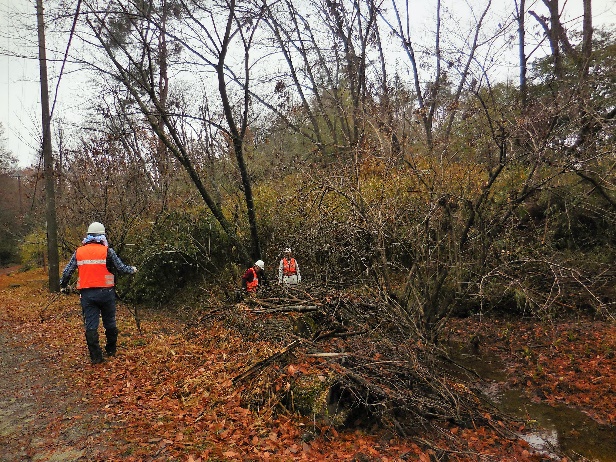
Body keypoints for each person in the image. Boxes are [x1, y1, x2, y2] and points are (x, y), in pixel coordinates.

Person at [59, 222, 137, 364]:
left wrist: (63, 286)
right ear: (102, 235)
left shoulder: (79, 252)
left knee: (91, 325)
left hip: (87, 295)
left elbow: (67, 272)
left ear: (88, 235)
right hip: (107, 293)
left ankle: (96, 358)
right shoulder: (107, 251)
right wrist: (132, 269)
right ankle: (111, 350)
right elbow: (121, 268)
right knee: (110, 322)